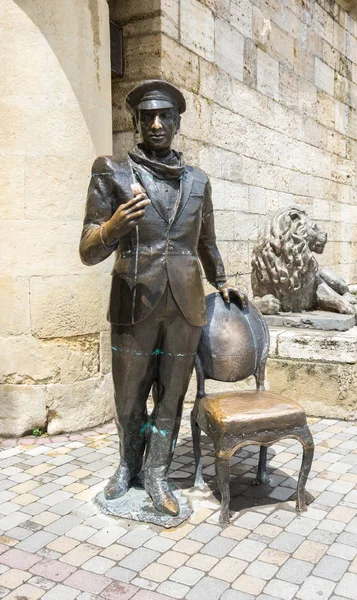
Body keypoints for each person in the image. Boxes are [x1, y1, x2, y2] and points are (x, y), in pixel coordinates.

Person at [80, 79, 247, 516]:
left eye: (164, 116)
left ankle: (157, 474)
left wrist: (222, 280)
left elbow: (205, 240)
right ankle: (127, 466)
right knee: (129, 396)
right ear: (135, 122)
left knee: (171, 396)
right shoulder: (111, 171)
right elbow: (87, 250)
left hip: (185, 305)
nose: (156, 124)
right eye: (147, 117)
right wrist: (113, 226)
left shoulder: (198, 180)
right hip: (133, 302)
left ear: (177, 122)